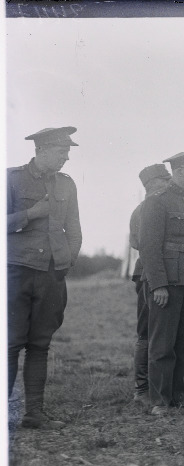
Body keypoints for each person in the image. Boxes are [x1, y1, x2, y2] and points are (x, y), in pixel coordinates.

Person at [7, 126, 82, 429]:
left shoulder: (67, 184)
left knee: (40, 344)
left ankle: (33, 414)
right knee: (10, 344)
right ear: (41, 150)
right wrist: (31, 214)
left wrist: (67, 260)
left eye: (67, 151)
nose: (66, 157)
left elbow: (74, 229)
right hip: (16, 272)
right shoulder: (11, 179)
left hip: (52, 274)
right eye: (61, 151)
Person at [139, 149, 184, 416]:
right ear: (179, 172)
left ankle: (177, 395)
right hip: (166, 284)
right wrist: (158, 285)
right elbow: (149, 246)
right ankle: (159, 400)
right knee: (162, 344)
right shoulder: (157, 201)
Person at [128, 163, 172, 405]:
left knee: (157, 333)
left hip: (157, 274)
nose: (169, 185)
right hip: (148, 274)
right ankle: (142, 389)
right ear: (154, 184)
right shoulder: (145, 209)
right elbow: (139, 243)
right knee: (146, 333)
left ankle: (156, 388)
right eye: (165, 181)